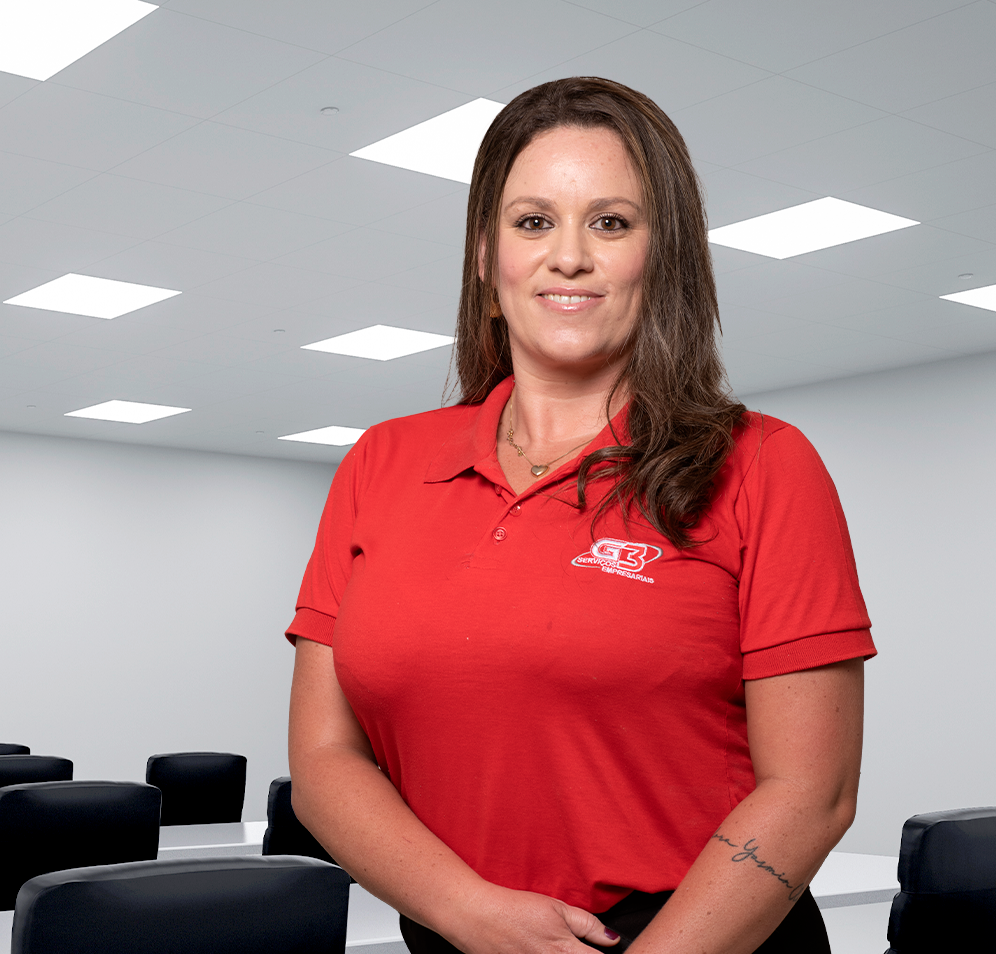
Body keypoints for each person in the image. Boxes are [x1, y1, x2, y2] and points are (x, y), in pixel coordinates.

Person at [286, 76, 875, 954]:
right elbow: (325, 762)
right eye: (533, 222)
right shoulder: (381, 462)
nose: (569, 257)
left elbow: (811, 792)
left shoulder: (763, 463)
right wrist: (468, 913)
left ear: (663, 255)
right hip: (457, 934)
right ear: (486, 257)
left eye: (611, 222)